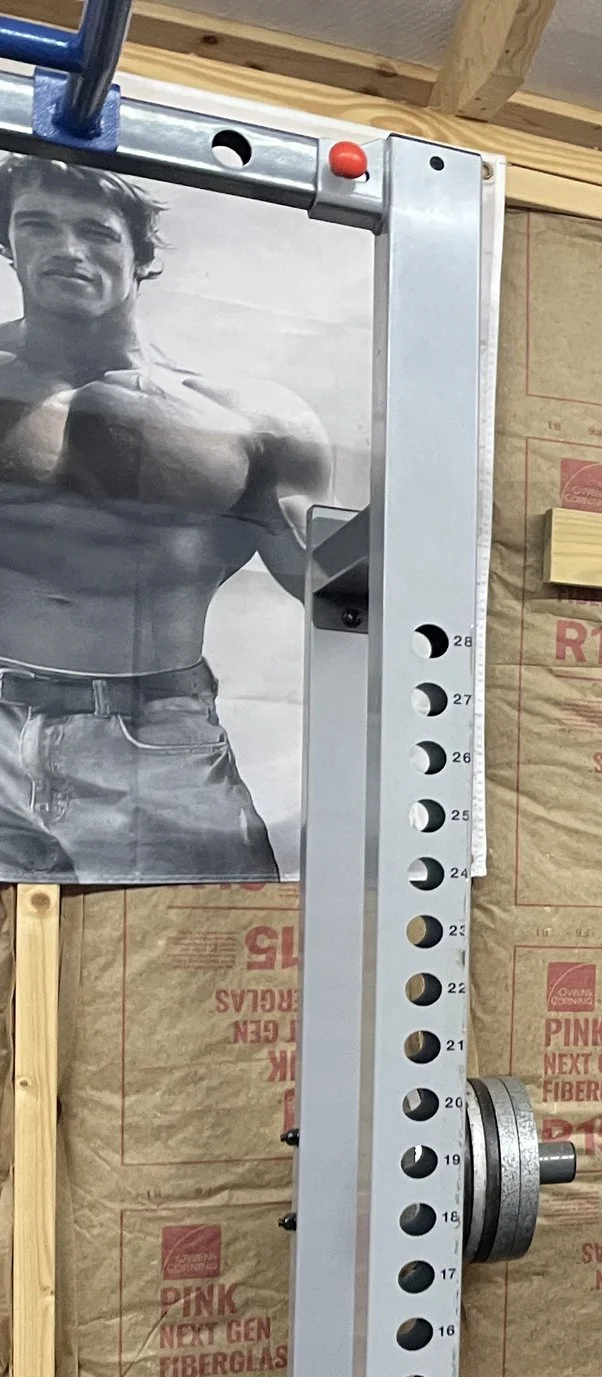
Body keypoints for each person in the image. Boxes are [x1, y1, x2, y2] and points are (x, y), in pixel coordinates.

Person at [0, 155, 331, 881]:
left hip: (159, 735)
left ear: (141, 256)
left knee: (208, 941)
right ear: (7, 243)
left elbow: (334, 591)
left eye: (96, 232)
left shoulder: (246, 417)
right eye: (37, 225)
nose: (66, 249)